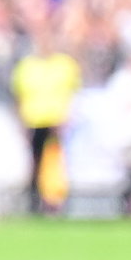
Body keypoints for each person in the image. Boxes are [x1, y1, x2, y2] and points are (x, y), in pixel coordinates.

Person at [9, 39, 80, 213]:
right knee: (35, 164)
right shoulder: (27, 66)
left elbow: (74, 93)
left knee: (58, 165)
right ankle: (35, 203)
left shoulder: (64, 64)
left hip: (57, 122)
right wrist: (21, 121)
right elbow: (18, 95)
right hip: (34, 120)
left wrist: (67, 117)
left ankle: (57, 203)